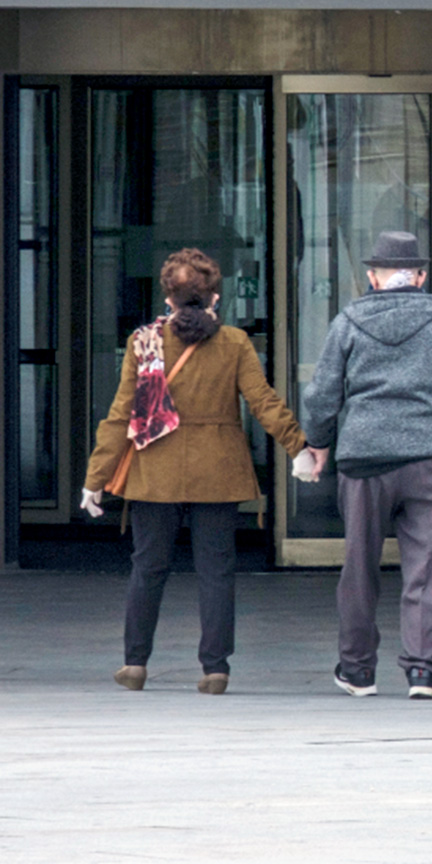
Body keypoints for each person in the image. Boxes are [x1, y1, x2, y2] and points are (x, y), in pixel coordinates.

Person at [79, 248, 307, 695]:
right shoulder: (234, 342)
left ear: (168, 299)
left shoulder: (143, 341)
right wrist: (297, 446)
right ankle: (215, 669)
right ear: (214, 298)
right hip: (217, 470)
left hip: (155, 470)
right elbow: (262, 401)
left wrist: (95, 478)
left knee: (148, 567)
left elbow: (121, 415)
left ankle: (135, 664)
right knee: (216, 571)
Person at [299, 230, 432, 701]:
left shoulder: (348, 322)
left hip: (364, 460)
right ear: (421, 276)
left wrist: (319, 443)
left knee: (359, 567)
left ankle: (357, 671)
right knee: (427, 568)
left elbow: (322, 396)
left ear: (373, 277)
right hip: (429, 459)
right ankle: (424, 673)